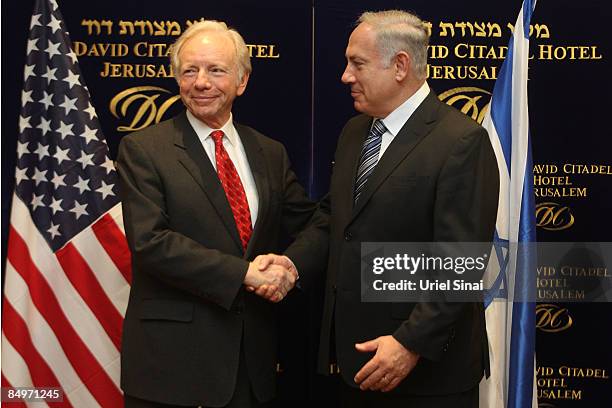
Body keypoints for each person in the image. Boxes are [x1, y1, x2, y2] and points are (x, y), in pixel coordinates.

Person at [117, 20, 326, 408]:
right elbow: (151, 242)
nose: (201, 82)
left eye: (216, 70)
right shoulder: (144, 150)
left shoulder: (269, 152)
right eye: (190, 71)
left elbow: (312, 224)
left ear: (242, 80)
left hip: (252, 365)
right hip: (173, 367)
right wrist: (244, 273)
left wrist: (291, 267)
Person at [316, 10, 500, 408]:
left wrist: (408, 343)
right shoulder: (353, 133)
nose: (345, 76)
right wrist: (289, 264)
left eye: (357, 63)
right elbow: (336, 220)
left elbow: (462, 263)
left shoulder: (460, 141)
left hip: (425, 376)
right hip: (355, 363)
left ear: (400, 65)